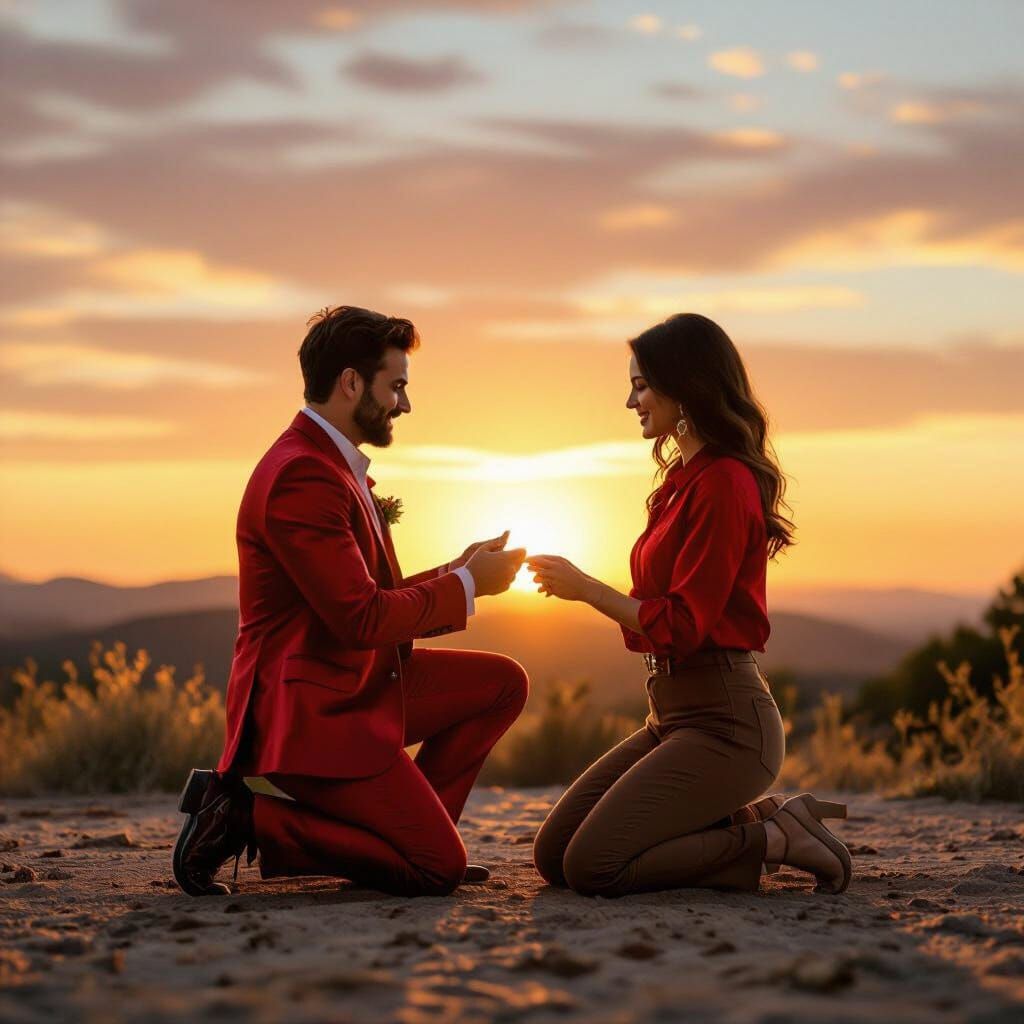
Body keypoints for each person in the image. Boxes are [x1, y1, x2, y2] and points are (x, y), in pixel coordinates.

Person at [172, 305, 528, 897]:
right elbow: (360, 618)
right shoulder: (302, 476)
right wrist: (468, 588)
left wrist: (460, 571)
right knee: (435, 871)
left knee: (503, 685)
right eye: (397, 387)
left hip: (354, 683)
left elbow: (369, 598)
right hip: (312, 715)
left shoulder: (335, 467)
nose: (405, 405)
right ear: (351, 382)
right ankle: (243, 817)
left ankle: (410, 839)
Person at [528, 313, 852, 898]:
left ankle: (775, 840)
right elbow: (654, 622)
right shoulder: (680, 480)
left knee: (594, 867)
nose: (630, 401)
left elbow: (680, 624)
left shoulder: (724, 482)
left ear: (686, 385)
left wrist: (587, 589)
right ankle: (763, 822)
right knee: (555, 854)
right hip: (671, 716)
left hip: (728, 726)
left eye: (642, 385)